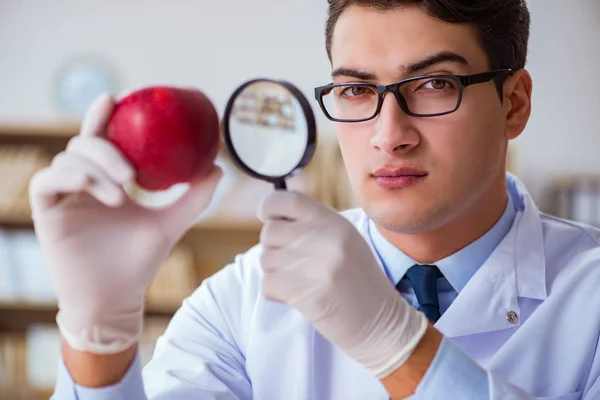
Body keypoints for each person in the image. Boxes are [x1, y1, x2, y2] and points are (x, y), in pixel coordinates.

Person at [34, 0, 600, 399]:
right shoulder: (245, 298)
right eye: (356, 90)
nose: (388, 134)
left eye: (434, 85)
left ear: (514, 104)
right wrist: (96, 339)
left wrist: (397, 346)